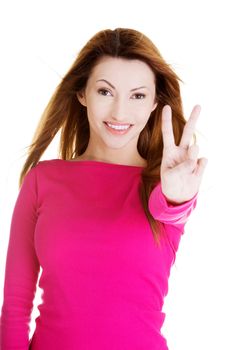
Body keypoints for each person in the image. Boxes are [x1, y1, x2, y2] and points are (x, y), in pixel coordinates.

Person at [0, 27, 207, 349]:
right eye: (105, 92)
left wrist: (179, 195)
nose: (119, 112)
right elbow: (15, 305)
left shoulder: (164, 187)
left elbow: (171, 208)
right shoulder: (43, 180)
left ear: (155, 103)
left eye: (137, 95)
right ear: (82, 93)